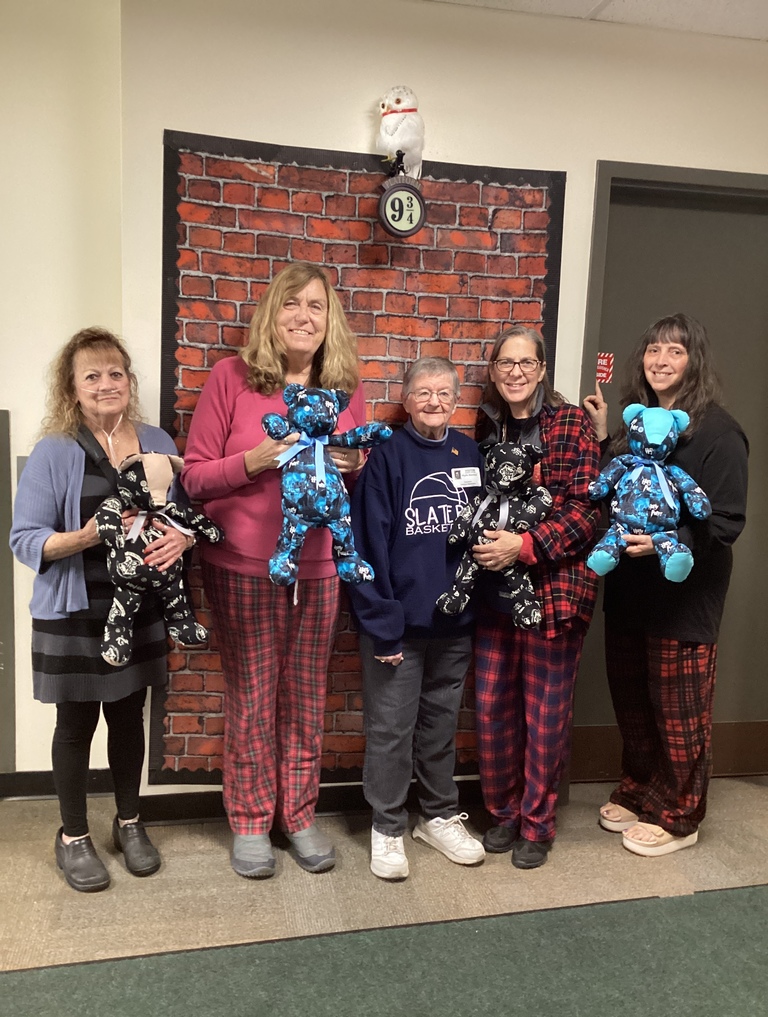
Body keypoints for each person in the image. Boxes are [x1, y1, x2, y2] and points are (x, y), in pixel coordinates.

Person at [181, 262, 366, 879]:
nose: (303, 317)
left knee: (308, 696)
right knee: (255, 695)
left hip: (318, 568)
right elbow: (195, 476)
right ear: (271, 313)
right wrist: (253, 460)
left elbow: (358, 463)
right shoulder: (232, 377)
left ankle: (301, 815)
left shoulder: (345, 387)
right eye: (292, 304)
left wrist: (350, 463)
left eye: (316, 306)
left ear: (329, 319)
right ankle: (252, 822)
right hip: (242, 565)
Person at [10, 327, 190, 892]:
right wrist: (90, 535)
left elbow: (184, 515)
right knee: (75, 723)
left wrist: (182, 538)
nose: (106, 383)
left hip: (141, 608)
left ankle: (129, 822)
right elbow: (25, 540)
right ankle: (73, 836)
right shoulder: (55, 450)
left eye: (116, 373)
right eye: (92, 375)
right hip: (74, 609)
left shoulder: (158, 440)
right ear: (73, 387)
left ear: (129, 381)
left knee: (128, 717)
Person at [582, 313, 748, 857]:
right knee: (632, 700)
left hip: (684, 594)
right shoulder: (638, 423)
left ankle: (680, 813)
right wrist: (606, 433)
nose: (660, 361)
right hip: (630, 592)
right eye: (653, 350)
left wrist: (665, 542)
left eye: (673, 352)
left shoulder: (719, 432)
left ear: (692, 361)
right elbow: (615, 486)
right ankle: (639, 789)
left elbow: (725, 521)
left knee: (679, 709)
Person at [348, 357, 486, 880]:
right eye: (423, 393)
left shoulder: (468, 453)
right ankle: (386, 825)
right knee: (390, 729)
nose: (433, 402)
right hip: (397, 627)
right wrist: (382, 623)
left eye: (444, 393)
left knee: (440, 728)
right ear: (406, 400)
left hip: (455, 625)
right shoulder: (385, 456)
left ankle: (439, 815)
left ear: (456, 401)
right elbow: (367, 546)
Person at [473, 325, 600, 869]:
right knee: (493, 710)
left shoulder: (571, 424)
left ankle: (537, 824)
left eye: (526, 363)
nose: (516, 372)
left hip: (553, 593)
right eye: (505, 363)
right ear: (495, 372)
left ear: (542, 370)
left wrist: (523, 546)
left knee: (544, 716)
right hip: (492, 597)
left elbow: (590, 511)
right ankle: (502, 813)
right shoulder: (484, 427)